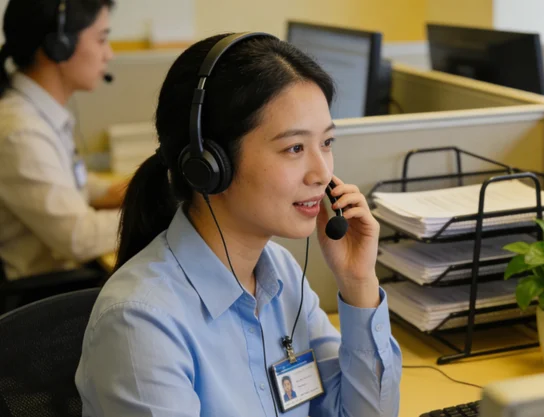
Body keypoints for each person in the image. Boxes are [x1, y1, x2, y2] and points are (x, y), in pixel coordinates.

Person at [75, 32, 402, 416]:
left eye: (326, 143)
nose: (322, 172)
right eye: (294, 148)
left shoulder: (279, 274)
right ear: (210, 166)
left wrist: (358, 283)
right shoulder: (141, 322)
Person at [0, 0, 125, 280]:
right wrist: (155, 212)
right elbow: (77, 238)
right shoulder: (20, 131)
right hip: (46, 298)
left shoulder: (37, 113)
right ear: (60, 45)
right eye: (102, 39)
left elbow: (68, 181)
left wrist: (124, 190)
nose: (109, 54)